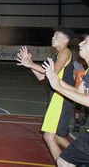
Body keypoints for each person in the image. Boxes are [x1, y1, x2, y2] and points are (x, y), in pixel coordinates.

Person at [16, 28, 75, 161]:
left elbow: (53, 72)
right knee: (58, 137)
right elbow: (41, 77)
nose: (53, 37)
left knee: (48, 136)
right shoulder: (58, 54)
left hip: (60, 99)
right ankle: (83, 157)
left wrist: (30, 63)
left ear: (66, 40)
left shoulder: (65, 52)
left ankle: (65, 164)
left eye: (56, 35)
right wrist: (29, 65)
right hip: (57, 98)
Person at [42, 35, 89, 166]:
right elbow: (79, 93)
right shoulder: (87, 71)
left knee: (51, 138)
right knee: (63, 160)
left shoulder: (64, 52)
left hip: (59, 101)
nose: (80, 44)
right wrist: (58, 82)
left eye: (85, 42)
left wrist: (58, 87)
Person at [72, 58, 88, 133]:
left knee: (86, 105)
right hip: (78, 89)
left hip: (86, 90)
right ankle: (77, 122)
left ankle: (85, 116)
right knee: (77, 106)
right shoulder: (77, 65)